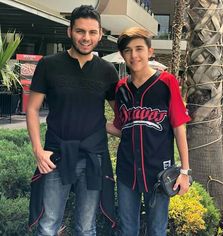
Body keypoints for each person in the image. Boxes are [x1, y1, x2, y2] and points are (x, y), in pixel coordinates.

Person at [26, 5, 119, 236]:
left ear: (100, 34)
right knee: (48, 225)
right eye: (80, 31)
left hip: (92, 156)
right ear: (70, 32)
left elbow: (121, 117)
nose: (86, 38)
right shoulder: (49, 64)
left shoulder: (108, 71)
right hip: (55, 155)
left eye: (92, 32)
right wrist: (38, 151)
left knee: (87, 227)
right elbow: (32, 109)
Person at [106, 27, 191, 236]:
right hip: (127, 170)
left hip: (159, 172)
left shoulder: (166, 82)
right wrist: (94, 123)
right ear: (122, 55)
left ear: (150, 51)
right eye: (128, 50)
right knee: (128, 229)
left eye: (139, 49)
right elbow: (122, 128)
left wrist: (185, 171)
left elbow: (179, 126)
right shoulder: (121, 88)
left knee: (157, 229)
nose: (134, 55)